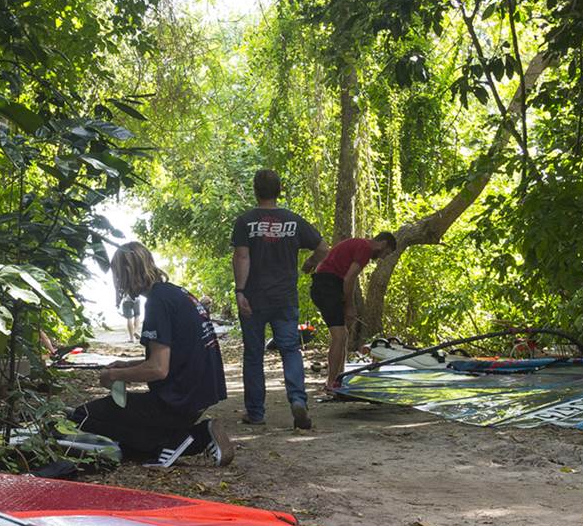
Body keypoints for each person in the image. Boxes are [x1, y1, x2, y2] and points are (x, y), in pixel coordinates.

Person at [74, 243, 234, 468]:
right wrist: (127, 365)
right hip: (197, 395)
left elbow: (158, 369)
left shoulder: (157, 302)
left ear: (127, 272)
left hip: (177, 401)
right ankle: (178, 439)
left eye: (118, 275)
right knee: (124, 438)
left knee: (82, 417)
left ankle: (191, 437)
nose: (118, 283)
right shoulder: (175, 293)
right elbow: (175, 356)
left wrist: (114, 375)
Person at [230, 169, 325, 431]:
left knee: (253, 355)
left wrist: (240, 291)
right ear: (279, 190)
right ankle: (298, 400)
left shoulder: (245, 221)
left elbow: (242, 257)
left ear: (255, 190)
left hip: (254, 298)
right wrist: (310, 263)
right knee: (290, 350)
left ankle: (256, 413)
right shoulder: (293, 221)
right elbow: (323, 248)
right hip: (285, 298)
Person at [311, 231, 397, 396]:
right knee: (339, 336)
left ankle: (339, 378)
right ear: (383, 244)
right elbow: (349, 279)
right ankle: (331, 383)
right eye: (386, 253)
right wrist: (349, 306)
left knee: (343, 334)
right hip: (327, 286)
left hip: (329, 285)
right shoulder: (365, 248)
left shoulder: (359, 245)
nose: (383, 258)